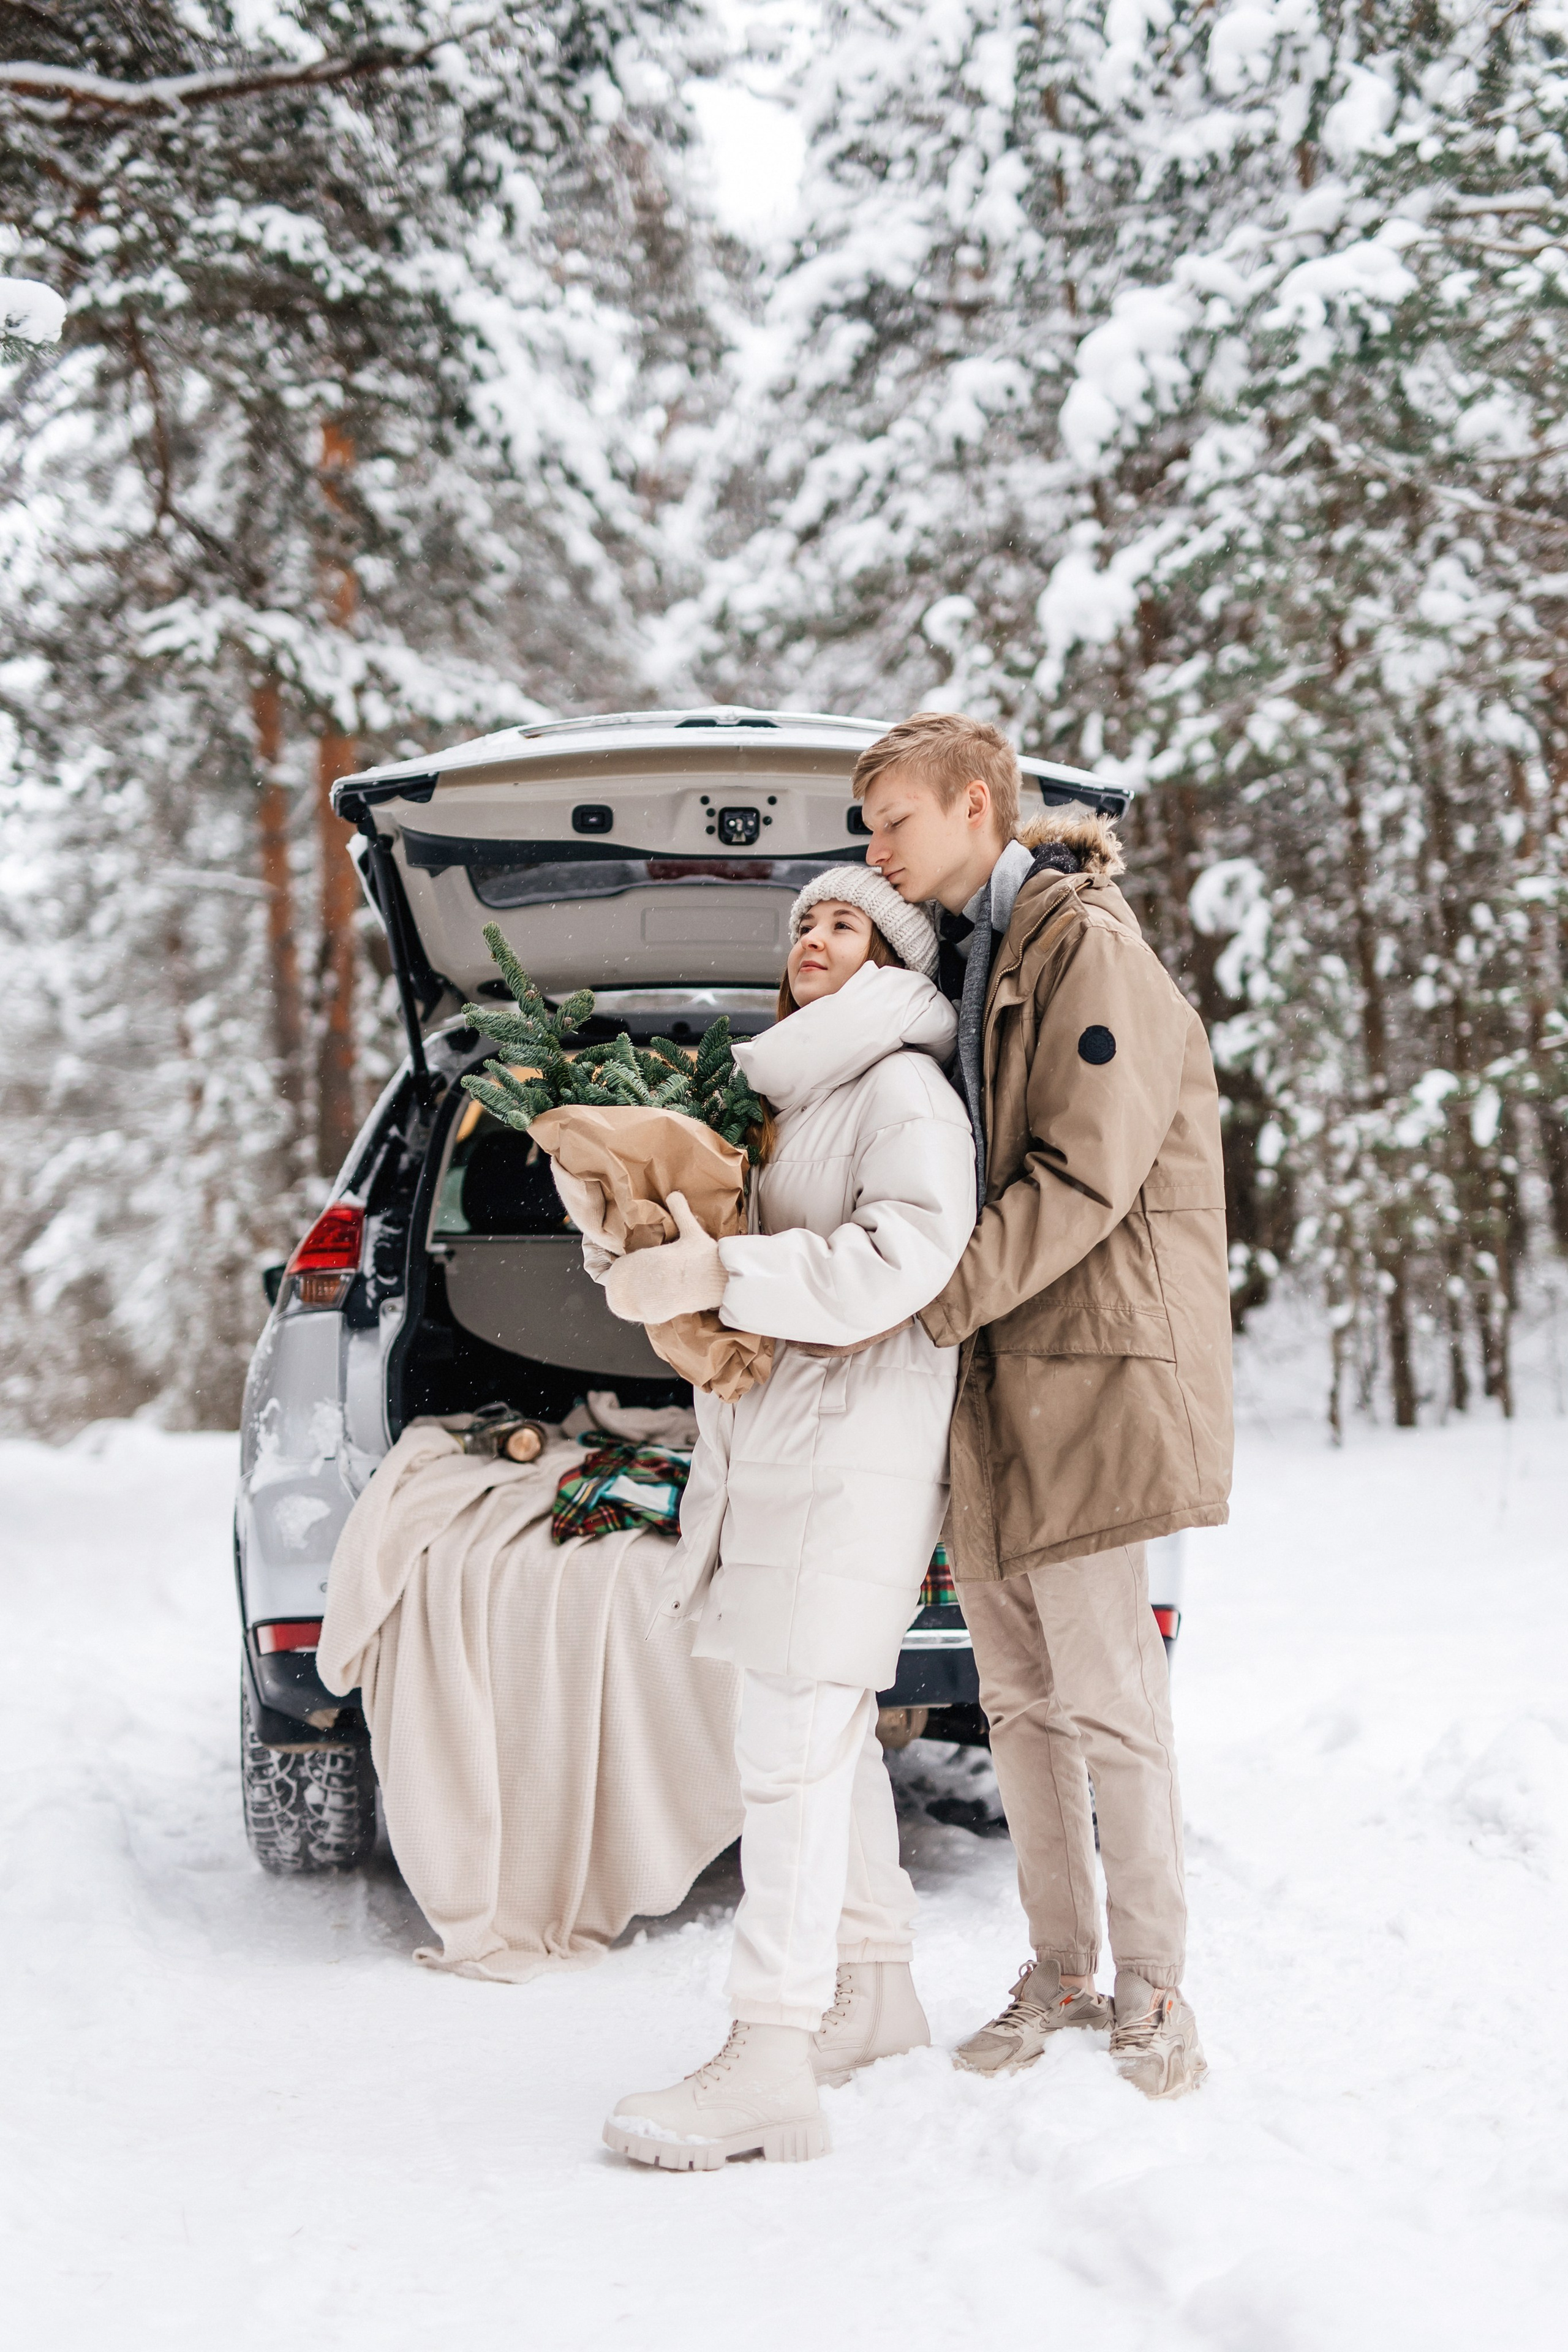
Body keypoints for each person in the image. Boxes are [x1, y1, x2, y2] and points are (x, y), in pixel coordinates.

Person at [855, 710, 1233, 2100]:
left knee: (1108, 1700)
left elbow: (1082, 1177)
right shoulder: (962, 960)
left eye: (892, 820)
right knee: (1016, 1700)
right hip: (995, 1382)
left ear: (973, 805)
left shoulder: (1083, 947)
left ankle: (1151, 1991)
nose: (875, 848)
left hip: (1083, 1375)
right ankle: (1058, 1969)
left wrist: (925, 1300)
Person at [582, 868, 976, 2168]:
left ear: (891, 958)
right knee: (825, 1732)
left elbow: (904, 1260)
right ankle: (870, 1994)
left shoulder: (899, 1090)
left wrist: (719, 1268)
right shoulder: (792, 1100)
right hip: (782, 1451)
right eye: (802, 921)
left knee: (787, 1748)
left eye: (843, 921)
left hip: (850, 1453)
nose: (812, 935)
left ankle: (767, 2054)